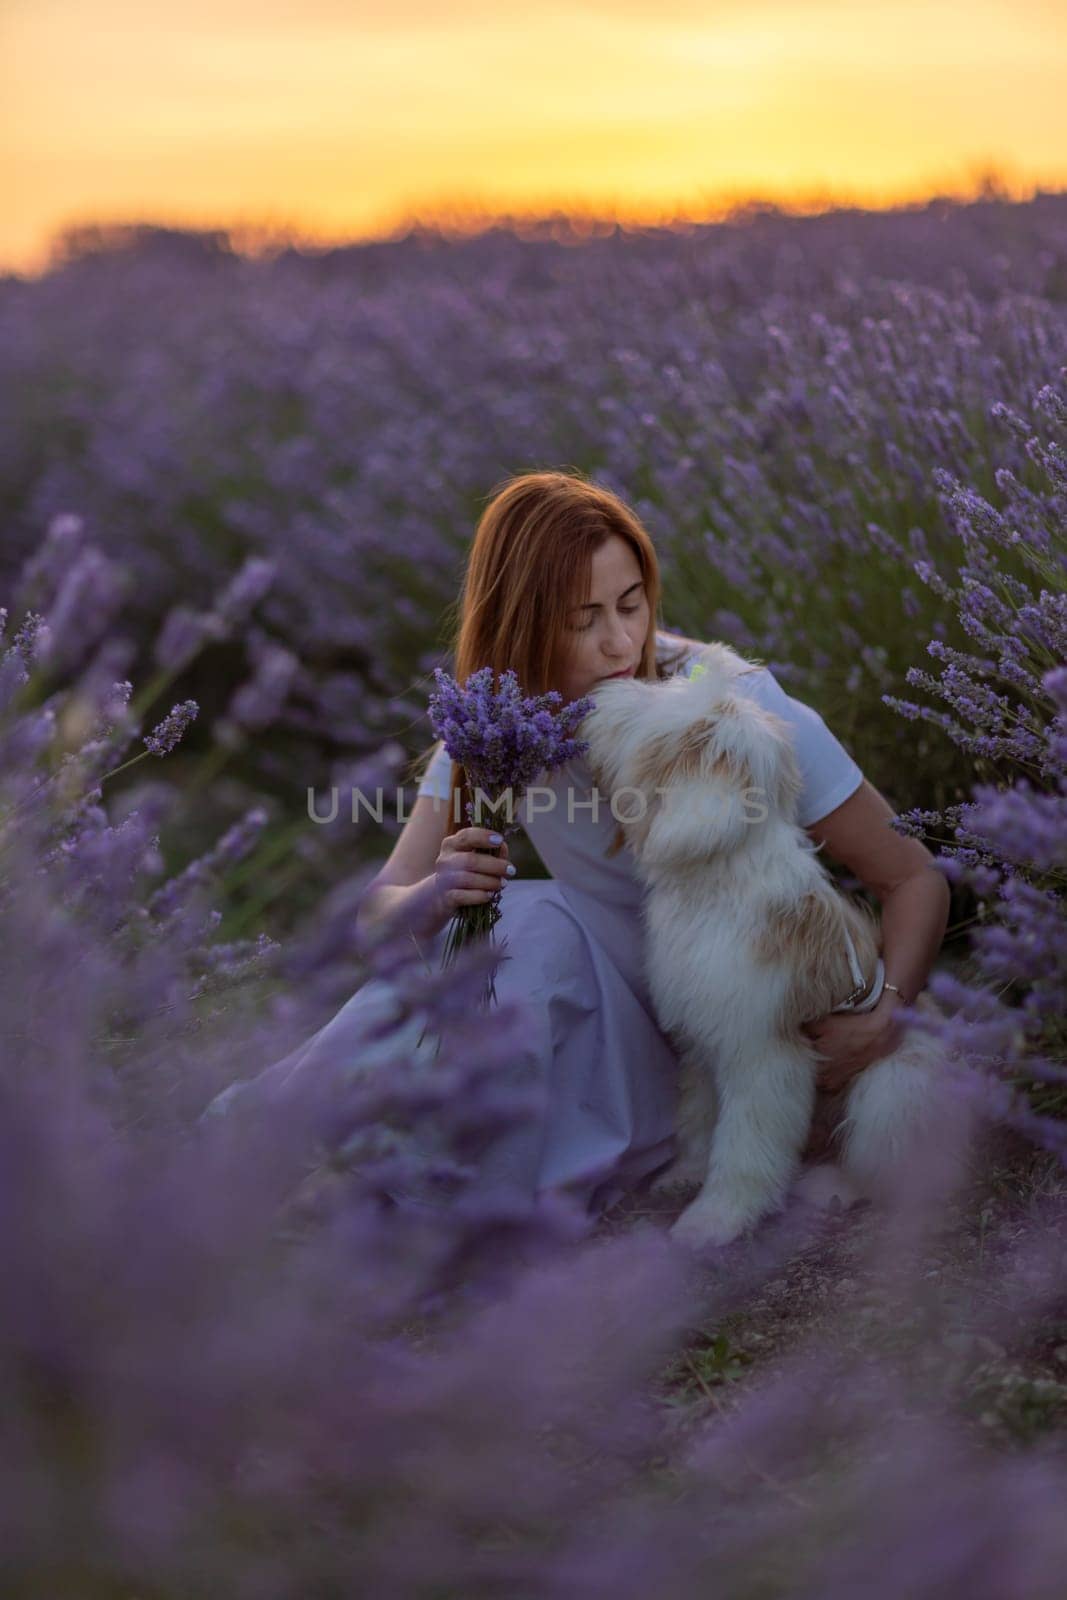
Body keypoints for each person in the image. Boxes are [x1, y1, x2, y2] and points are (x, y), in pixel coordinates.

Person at [209, 471, 951, 1220]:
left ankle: (398, 1180)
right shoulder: (495, 725)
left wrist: (886, 1012)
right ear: (522, 622)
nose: (620, 641)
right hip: (598, 1001)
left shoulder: (724, 705)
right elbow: (377, 919)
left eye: (631, 604)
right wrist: (437, 892)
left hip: (719, 1034)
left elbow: (912, 877)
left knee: (533, 926)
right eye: (582, 619)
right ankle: (304, 1139)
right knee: (521, 923)